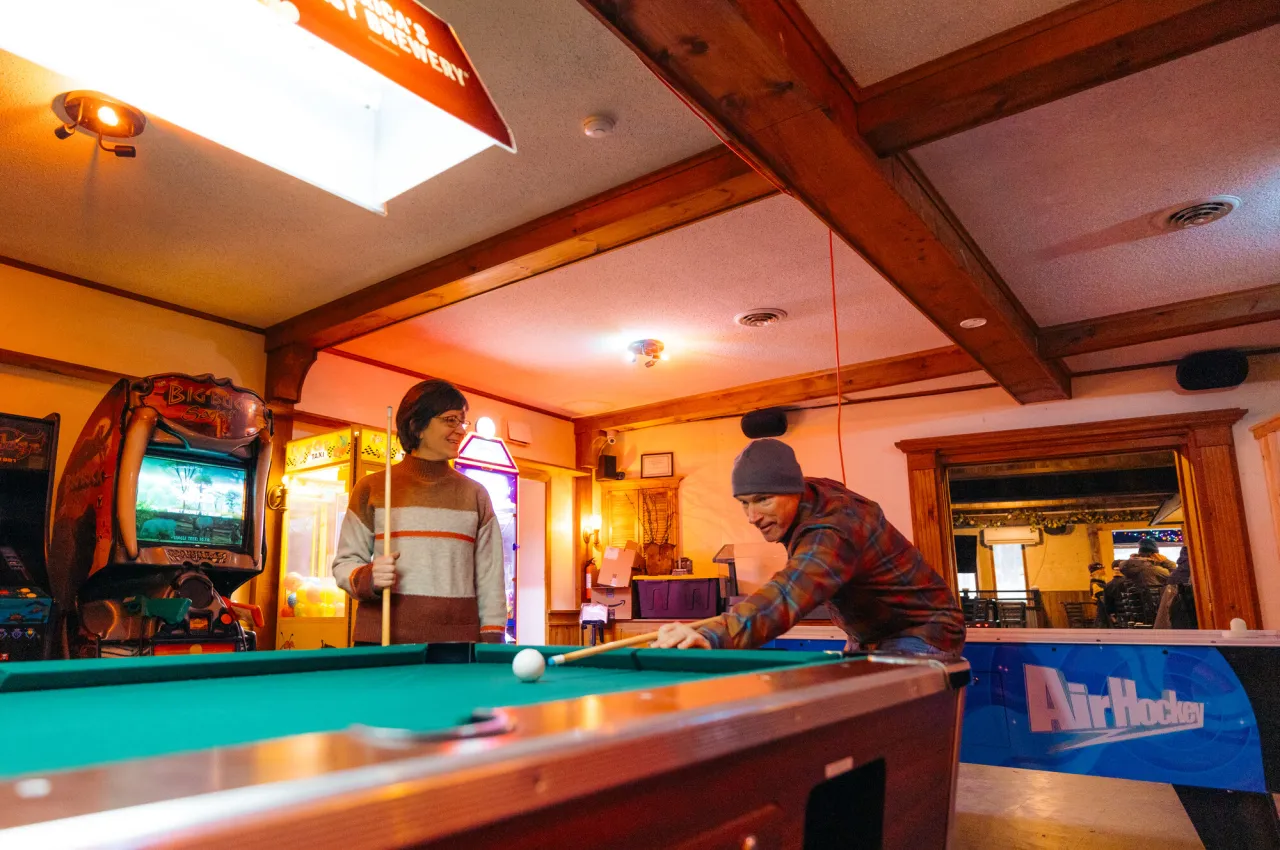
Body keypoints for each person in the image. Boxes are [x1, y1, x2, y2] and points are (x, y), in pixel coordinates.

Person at [654, 439, 964, 657]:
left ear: (793, 491)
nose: (752, 517)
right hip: (872, 637)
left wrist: (712, 634)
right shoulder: (809, 495)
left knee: (873, 732)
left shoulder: (835, 527)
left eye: (763, 500)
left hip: (923, 633)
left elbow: (790, 590)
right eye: (744, 503)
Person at [331, 379, 507, 645]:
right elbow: (344, 564)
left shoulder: (476, 495)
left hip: (456, 645)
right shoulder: (373, 488)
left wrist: (492, 640)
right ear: (417, 426)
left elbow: (490, 578)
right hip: (382, 640)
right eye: (450, 420)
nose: (460, 430)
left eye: (462, 422)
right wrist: (369, 577)